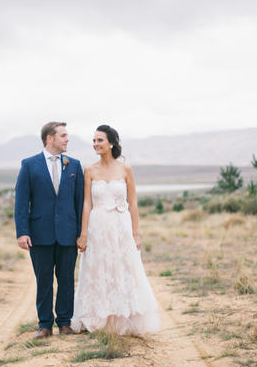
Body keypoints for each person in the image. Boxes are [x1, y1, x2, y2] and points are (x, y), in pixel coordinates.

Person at [71, 124, 160, 335]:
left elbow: (133, 203)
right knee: (98, 269)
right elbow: (87, 204)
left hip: (121, 226)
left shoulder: (125, 169)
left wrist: (135, 233)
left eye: (99, 140)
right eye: (94, 141)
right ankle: (97, 318)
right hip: (98, 226)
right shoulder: (90, 170)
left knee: (123, 269)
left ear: (111, 142)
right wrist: (83, 234)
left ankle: (125, 317)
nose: (95, 144)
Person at [14, 122, 84, 339]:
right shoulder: (29, 165)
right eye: (63, 135)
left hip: (68, 234)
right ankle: (44, 325)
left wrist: (82, 233)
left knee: (66, 279)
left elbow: (79, 203)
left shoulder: (74, 165)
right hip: (39, 234)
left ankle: (64, 323)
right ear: (49, 139)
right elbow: (21, 201)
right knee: (43, 280)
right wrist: (22, 232)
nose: (67, 139)